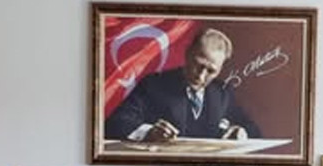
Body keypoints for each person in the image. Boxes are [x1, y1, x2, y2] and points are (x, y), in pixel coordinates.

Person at [104, 27, 259, 142]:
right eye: (198, 65)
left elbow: (253, 130)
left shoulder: (222, 92)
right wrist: (149, 132)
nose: (201, 76)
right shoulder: (153, 84)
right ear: (187, 54)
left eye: (211, 71)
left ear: (220, 69)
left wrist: (241, 132)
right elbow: (116, 123)